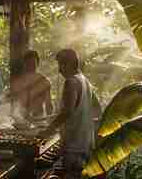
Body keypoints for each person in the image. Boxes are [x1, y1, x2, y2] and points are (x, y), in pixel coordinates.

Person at [37, 49, 102, 179]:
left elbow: (67, 112)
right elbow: (97, 109)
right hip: (86, 144)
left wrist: (47, 132)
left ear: (71, 63)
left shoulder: (71, 82)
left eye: (61, 64)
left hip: (73, 147)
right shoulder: (85, 81)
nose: (59, 70)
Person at [9, 50, 53, 125]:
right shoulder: (19, 82)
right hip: (21, 121)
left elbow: (48, 105)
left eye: (33, 63)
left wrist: (50, 123)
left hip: (39, 120)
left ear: (37, 64)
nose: (31, 66)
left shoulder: (44, 81)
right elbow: (14, 102)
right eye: (28, 63)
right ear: (24, 64)